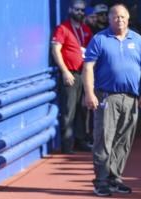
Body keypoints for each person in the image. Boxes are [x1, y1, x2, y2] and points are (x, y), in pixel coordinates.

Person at [82, 4, 141, 196]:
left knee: (124, 141)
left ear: (128, 18)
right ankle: (101, 180)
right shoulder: (99, 39)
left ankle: (115, 177)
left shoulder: (137, 40)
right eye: (115, 17)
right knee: (104, 139)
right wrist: (89, 93)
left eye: (123, 17)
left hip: (131, 98)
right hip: (107, 97)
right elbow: (88, 67)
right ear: (109, 19)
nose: (119, 20)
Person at [51, 0, 93, 154]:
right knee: (69, 110)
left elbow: (90, 52)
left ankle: (80, 141)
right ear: (70, 10)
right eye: (77, 10)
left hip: (84, 74)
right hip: (70, 74)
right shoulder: (63, 28)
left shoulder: (86, 29)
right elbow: (56, 50)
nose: (80, 12)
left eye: (82, 10)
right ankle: (67, 144)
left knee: (83, 109)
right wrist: (64, 71)